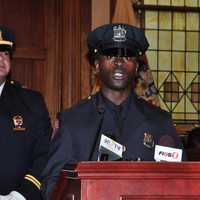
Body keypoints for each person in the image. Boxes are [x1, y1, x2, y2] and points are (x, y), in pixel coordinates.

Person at [41, 23, 186, 199]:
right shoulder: (72, 121)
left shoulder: (159, 122)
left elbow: (181, 183)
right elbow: (52, 186)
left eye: (127, 56)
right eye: (110, 55)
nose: (119, 62)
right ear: (96, 65)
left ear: (137, 68)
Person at [0, 27, 52, 200]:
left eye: (5, 52)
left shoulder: (31, 102)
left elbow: (44, 153)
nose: (1, 58)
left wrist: (20, 195)